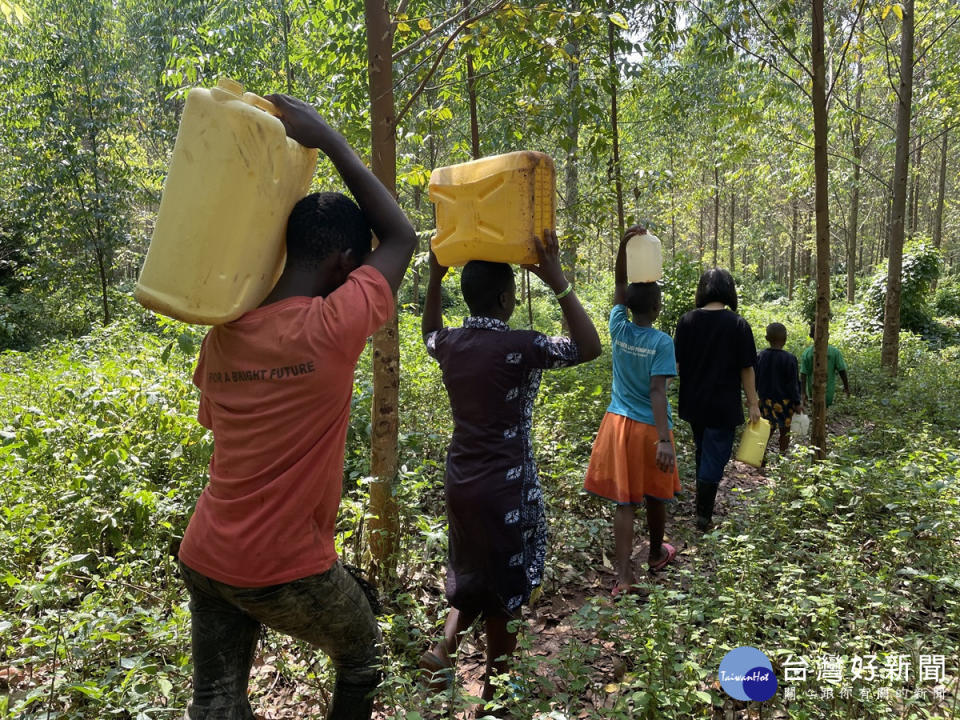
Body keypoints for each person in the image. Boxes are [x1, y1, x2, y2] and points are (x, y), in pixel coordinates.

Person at [176, 94, 417, 720]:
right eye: (357, 266)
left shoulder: (223, 333)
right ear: (343, 263)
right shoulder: (333, 326)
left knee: (217, 698)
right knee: (364, 655)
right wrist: (329, 138)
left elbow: (220, 422)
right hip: (281, 565)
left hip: (206, 553)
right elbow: (403, 235)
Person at [419, 231, 601, 711]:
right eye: (515, 293)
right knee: (505, 593)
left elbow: (427, 333)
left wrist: (435, 277)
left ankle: (444, 647)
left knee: (471, 568)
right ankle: (493, 700)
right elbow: (588, 346)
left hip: (460, 481)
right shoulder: (523, 345)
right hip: (508, 489)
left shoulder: (450, 343)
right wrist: (555, 278)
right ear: (504, 299)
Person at [583, 227, 680, 597]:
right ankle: (656, 554)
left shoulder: (617, 325)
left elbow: (619, 284)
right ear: (657, 308)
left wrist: (624, 246)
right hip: (649, 429)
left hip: (617, 425)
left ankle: (623, 575)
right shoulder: (661, 342)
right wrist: (664, 440)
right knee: (657, 495)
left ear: (627, 306)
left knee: (625, 502)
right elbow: (658, 391)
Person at [673, 268, 760, 532]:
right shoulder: (738, 324)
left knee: (703, 449)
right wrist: (753, 402)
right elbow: (747, 368)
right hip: (723, 404)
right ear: (729, 291)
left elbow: (675, 363)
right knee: (715, 455)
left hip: (693, 401)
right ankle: (703, 515)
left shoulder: (686, 321)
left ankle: (702, 503)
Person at [755, 322, 802, 454]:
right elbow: (793, 383)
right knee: (785, 432)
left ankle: (760, 458)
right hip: (785, 403)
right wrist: (797, 402)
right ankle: (783, 455)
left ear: (766, 338)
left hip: (765, 401)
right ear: (785, 339)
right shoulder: (790, 359)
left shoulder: (760, 356)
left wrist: (752, 398)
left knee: (765, 431)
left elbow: (755, 379)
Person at [799, 323, 850, 409]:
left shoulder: (807, 353)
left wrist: (803, 392)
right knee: (824, 414)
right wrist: (846, 388)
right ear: (828, 335)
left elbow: (803, 375)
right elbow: (842, 371)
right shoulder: (835, 352)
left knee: (816, 412)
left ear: (810, 336)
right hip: (828, 394)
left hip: (813, 392)